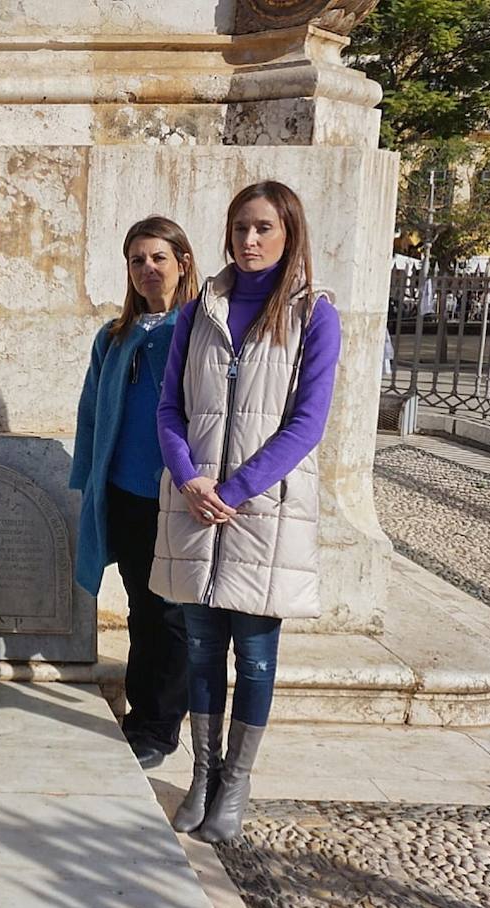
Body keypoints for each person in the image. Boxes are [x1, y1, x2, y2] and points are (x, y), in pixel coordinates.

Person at [152, 180, 341, 843]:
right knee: (202, 653)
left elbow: (307, 423)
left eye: (264, 227)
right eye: (240, 229)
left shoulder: (314, 313)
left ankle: (236, 780)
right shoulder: (198, 309)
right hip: (196, 505)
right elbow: (169, 407)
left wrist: (234, 490)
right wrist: (189, 477)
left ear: (289, 233)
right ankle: (202, 774)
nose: (250, 240)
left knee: (254, 656)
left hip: (263, 512)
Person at [70, 216, 199, 771]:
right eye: (137, 260)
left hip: (174, 493)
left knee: (171, 614)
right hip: (123, 492)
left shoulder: (197, 328)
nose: (148, 268)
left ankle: (160, 726)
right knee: (142, 608)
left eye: (158, 258)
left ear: (181, 262)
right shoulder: (115, 335)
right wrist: (89, 481)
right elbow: (91, 411)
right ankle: (142, 713)